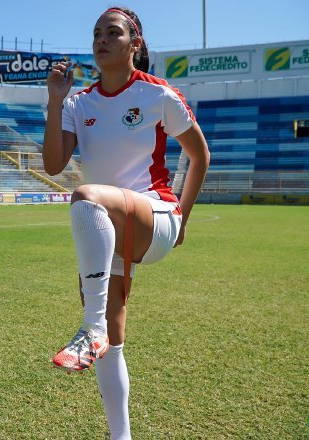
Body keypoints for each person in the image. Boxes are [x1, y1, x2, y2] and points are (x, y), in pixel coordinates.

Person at [43, 7, 210, 439]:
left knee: (85, 196)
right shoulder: (78, 103)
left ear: (135, 43)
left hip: (155, 216)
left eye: (112, 33)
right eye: (96, 33)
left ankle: (90, 327)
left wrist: (183, 219)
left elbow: (199, 155)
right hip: (108, 230)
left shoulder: (157, 94)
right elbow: (53, 163)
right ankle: (121, 435)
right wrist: (56, 98)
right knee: (112, 341)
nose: (101, 39)